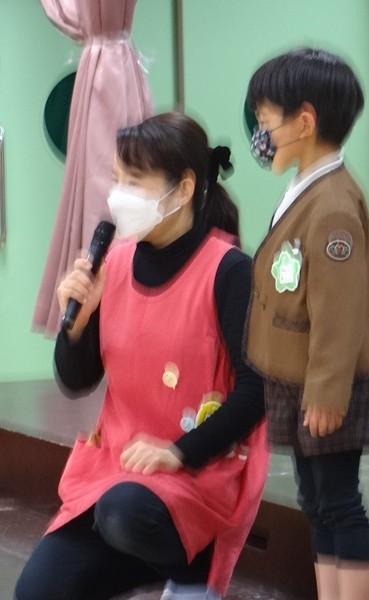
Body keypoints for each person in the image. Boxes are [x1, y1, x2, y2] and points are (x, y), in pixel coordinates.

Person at [15, 112, 268, 600]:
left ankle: (193, 569)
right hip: (114, 472)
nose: (119, 195)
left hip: (194, 473)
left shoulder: (229, 270)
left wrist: (178, 451)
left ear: (184, 188)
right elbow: (76, 380)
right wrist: (76, 327)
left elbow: (257, 391)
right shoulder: (114, 261)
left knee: (125, 512)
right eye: (117, 180)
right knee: (37, 592)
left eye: (134, 181)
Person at [243, 48, 369, 600]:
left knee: (339, 502)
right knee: (316, 502)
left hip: (326, 384)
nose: (260, 135)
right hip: (296, 378)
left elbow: (339, 310)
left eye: (266, 121)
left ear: (304, 122)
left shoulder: (332, 207)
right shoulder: (307, 186)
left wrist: (327, 392)